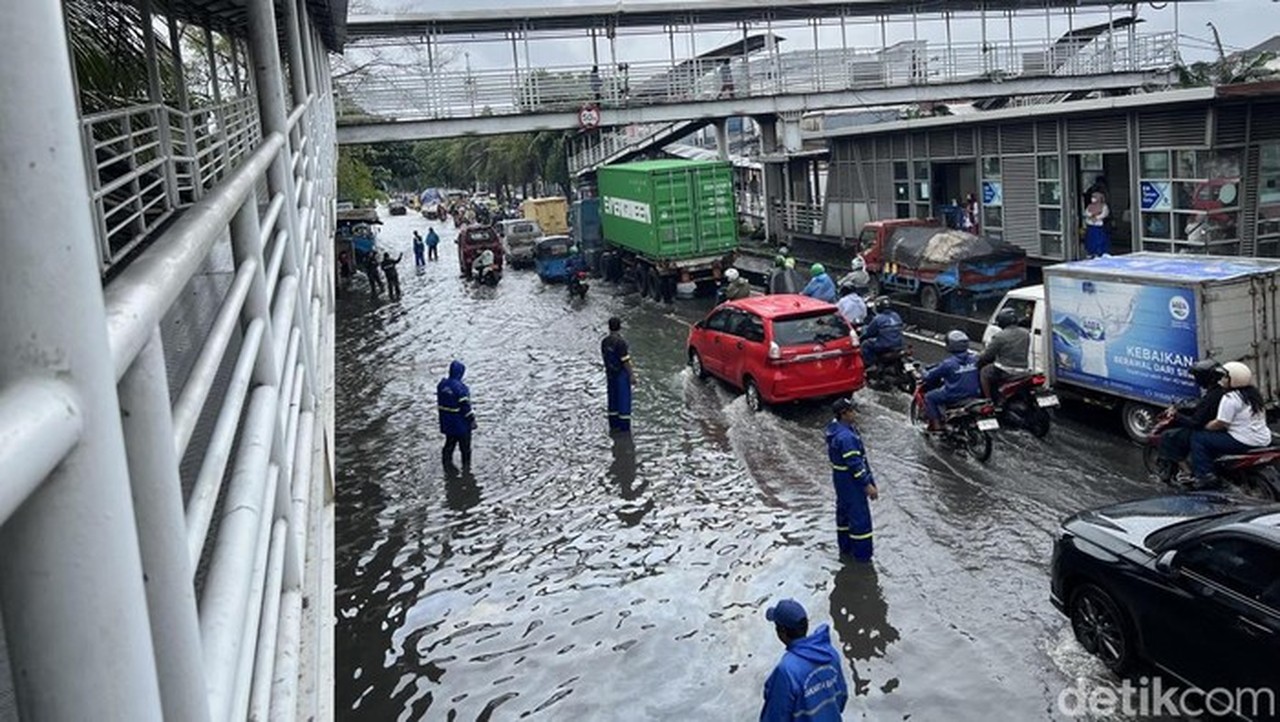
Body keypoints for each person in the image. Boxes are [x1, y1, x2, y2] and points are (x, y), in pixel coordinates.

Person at [1186, 361, 1273, 489]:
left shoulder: (1231, 398)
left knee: (1198, 437)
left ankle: (1205, 476)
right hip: (1263, 438)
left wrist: (1206, 426)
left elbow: (1221, 423)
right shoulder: (1254, 394)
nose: (1223, 380)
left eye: (1226, 377)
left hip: (1243, 440)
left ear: (1234, 379)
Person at [760, 598, 848, 722]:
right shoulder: (830, 653)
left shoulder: (786, 670)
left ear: (782, 631)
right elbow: (842, 698)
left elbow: (775, 717)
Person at [1152, 360, 1228, 484]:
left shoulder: (1212, 396)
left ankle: (1186, 471)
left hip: (1205, 430)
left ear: (1204, 378)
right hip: (1215, 428)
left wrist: (1177, 415)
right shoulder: (1218, 392)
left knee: (1168, 436)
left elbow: (1195, 423)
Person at [826, 397, 879, 562]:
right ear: (844, 413)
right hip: (850, 482)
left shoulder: (835, 429)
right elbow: (856, 464)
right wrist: (867, 484)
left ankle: (846, 550)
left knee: (844, 515)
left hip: (840, 481)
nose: (855, 413)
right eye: (852, 411)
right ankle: (863, 559)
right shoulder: (846, 437)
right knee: (859, 518)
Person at [921, 330, 982, 433]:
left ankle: (936, 425)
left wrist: (923, 373)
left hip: (954, 395)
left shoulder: (948, 364)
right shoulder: (975, 359)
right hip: (975, 394)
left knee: (929, 397)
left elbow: (929, 376)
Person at [977, 307, 1030, 400]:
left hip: (1006, 370)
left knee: (984, 372)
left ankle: (989, 401)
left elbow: (987, 356)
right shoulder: (1026, 333)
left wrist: (978, 357)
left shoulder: (999, 336)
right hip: (1024, 369)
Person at [437, 360, 476, 471]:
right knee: (465, 449)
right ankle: (466, 470)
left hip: (447, 423)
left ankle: (446, 466)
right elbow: (465, 407)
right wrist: (472, 420)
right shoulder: (461, 388)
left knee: (449, 445)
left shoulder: (441, 385)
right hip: (461, 424)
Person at [601, 317, 634, 433]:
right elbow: (625, 361)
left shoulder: (604, 341)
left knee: (613, 401)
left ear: (609, 327)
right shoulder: (621, 343)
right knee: (624, 401)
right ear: (620, 327)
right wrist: (631, 375)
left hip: (610, 374)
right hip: (621, 375)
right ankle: (624, 431)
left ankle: (613, 426)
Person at [859, 298, 903, 367]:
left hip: (884, 345)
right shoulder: (896, 315)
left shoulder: (878, 318)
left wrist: (861, 337)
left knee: (865, 344)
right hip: (898, 344)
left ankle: (870, 364)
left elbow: (869, 333)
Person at [1083, 191, 1110, 258]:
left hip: (1098, 226)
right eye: (1092, 197)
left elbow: (1104, 214)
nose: (1093, 199)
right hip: (1090, 226)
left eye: (1095, 197)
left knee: (1099, 240)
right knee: (1090, 241)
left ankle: (1099, 252)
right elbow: (1086, 213)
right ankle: (1091, 252)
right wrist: (1091, 215)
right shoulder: (1090, 206)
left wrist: (1096, 217)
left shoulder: (1103, 206)